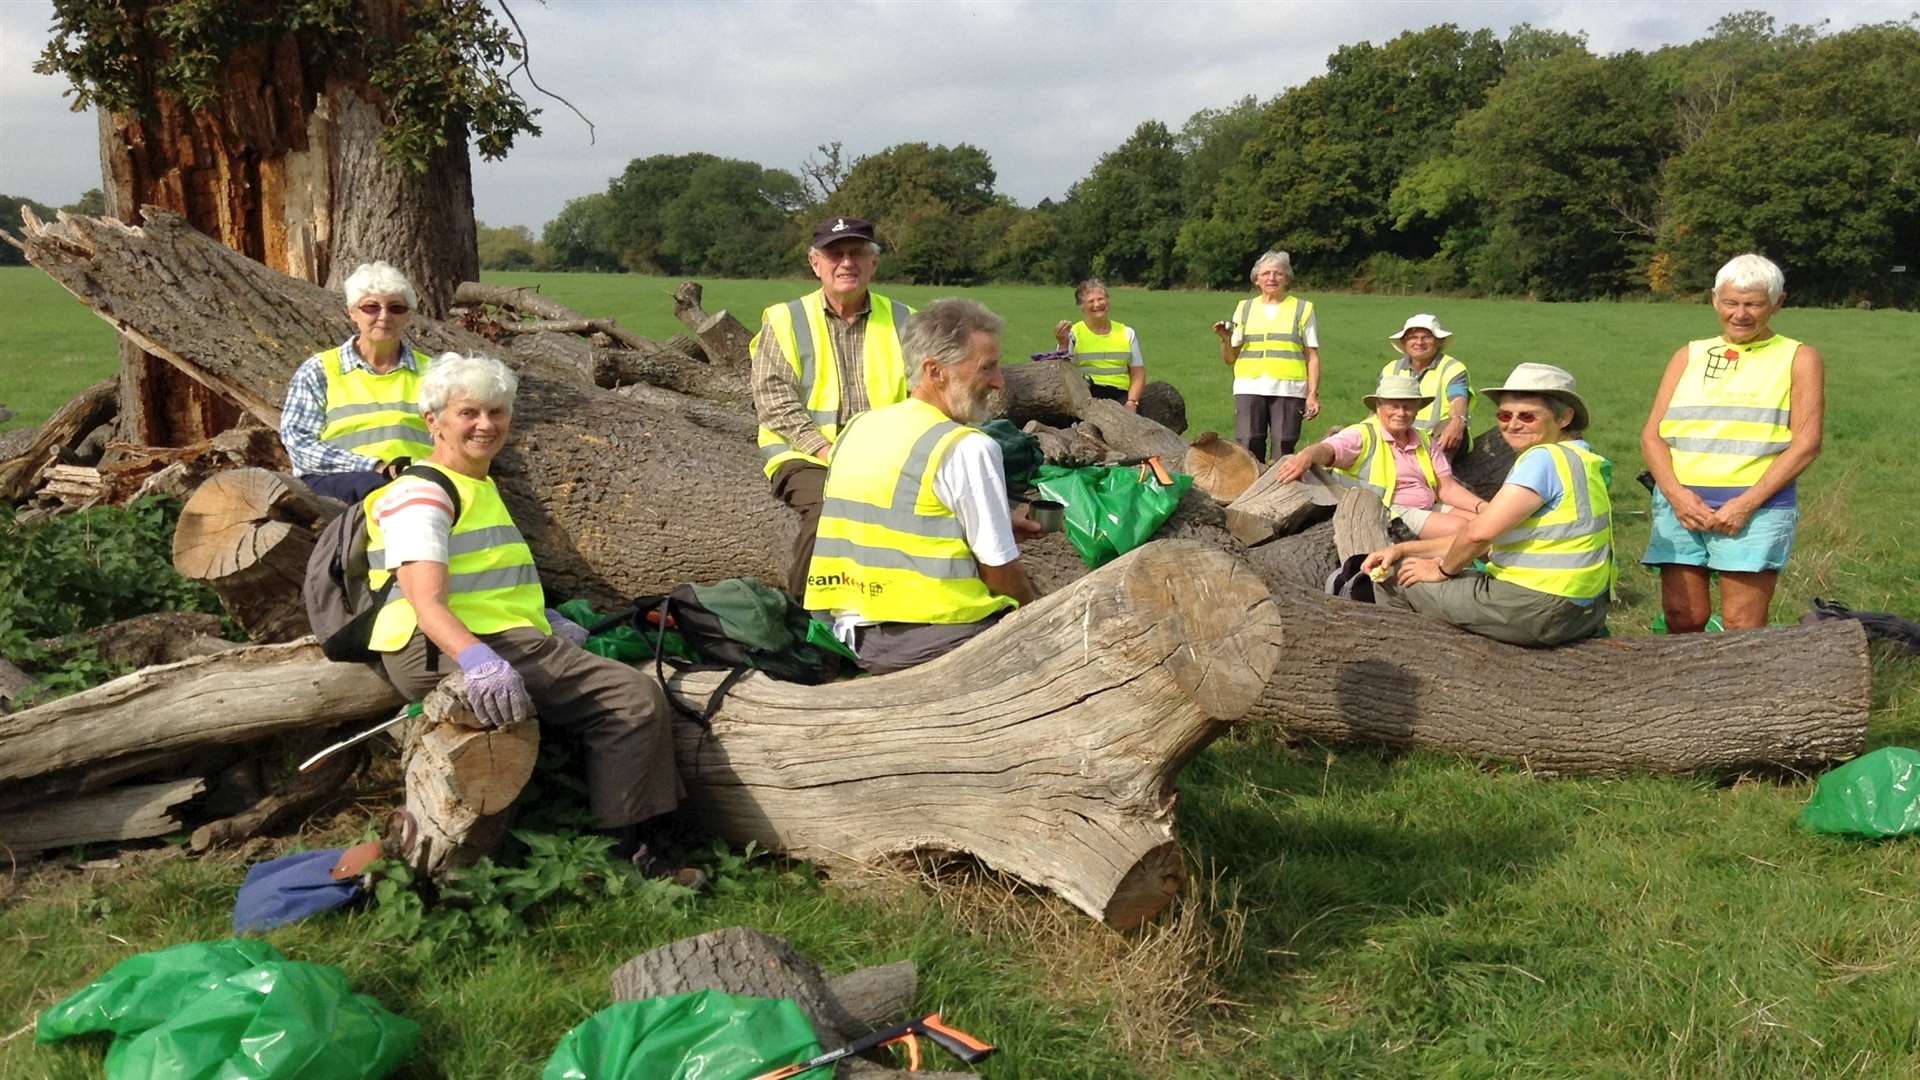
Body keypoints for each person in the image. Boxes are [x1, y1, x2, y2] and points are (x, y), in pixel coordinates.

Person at [363, 352, 691, 876]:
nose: (485, 425)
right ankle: (632, 855)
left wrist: (550, 625)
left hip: (495, 636)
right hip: (447, 645)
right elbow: (426, 602)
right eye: (468, 412)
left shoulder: (479, 486)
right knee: (632, 697)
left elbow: (492, 582)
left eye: (497, 412)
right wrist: (478, 659)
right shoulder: (422, 492)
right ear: (434, 421)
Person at [804, 298, 1044, 674]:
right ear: (935, 371)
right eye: (988, 367)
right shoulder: (968, 446)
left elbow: (888, 523)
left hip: (852, 637)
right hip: (940, 637)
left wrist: (968, 530)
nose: (999, 382)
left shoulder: (858, 428)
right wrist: (1039, 615)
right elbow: (999, 572)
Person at [1361, 364, 1613, 646]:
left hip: (1537, 607)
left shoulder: (1542, 458)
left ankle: (1405, 657)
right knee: (1411, 563)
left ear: (1565, 417)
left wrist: (1442, 570)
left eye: (1527, 416)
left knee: (1391, 577)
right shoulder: (1583, 458)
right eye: (1504, 415)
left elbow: (1478, 534)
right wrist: (1403, 548)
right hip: (1584, 610)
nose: (1513, 424)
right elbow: (1486, 538)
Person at [1641, 253, 1824, 632]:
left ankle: (1741, 692)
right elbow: (1653, 436)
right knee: (1682, 616)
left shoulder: (1799, 357)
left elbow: (1806, 443)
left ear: (1777, 303)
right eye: (1731, 303)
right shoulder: (1688, 355)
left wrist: (1745, 505)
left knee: (1742, 623)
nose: (1740, 314)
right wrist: (1676, 496)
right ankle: (1682, 689)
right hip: (1682, 505)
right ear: (1714, 300)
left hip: (1755, 507)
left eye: (1754, 304)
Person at [751, 217, 914, 598]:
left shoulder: (907, 320)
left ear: (874, 263)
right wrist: (827, 450)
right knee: (832, 515)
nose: (846, 263)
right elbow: (773, 399)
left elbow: (923, 396)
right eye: (834, 253)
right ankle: (805, 626)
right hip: (806, 456)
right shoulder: (784, 319)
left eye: (856, 253)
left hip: (887, 458)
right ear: (815, 264)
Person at [281, 262, 435, 502]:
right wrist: (376, 467)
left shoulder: (434, 373)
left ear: (408, 315)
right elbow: (299, 445)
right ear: (353, 312)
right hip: (338, 484)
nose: (384, 316)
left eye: (396, 308)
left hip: (418, 484)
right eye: (371, 307)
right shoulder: (320, 369)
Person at [1273, 374, 1484, 538]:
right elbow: (1329, 450)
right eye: (1394, 405)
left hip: (1425, 507)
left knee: (1482, 522)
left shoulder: (1424, 439)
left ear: (1417, 409)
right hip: (1385, 513)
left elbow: (1445, 487)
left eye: (1408, 406)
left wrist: (1484, 508)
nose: (1401, 412)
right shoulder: (1363, 434)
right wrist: (1306, 455)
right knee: (1462, 528)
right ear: (1379, 407)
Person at [1212, 250, 1321, 462]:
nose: (1271, 278)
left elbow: (1312, 355)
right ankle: (1250, 492)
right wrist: (1225, 339)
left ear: (1287, 278)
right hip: (1249, 386)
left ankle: (1282, 493)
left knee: (1284, 443)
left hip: (1289, 388)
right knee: (1248, 442)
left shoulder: (1303, 309)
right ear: (1257, 280)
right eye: (1266, 274)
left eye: (1278, 273)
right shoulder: (1244, 308)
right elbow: (1230, 358)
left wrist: (1313, 394)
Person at [1381, 313, 1470, 458]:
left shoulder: (1452, 368)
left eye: (1426, 337)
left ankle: (1437, 474)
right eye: (1413, 337)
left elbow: (1458, 398)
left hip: (1437, 439)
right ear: (1404, 342)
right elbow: (1378, 408)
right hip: (1398, 433)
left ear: (1439, 342)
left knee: (1449, 426)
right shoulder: (1390, 369)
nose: (1419, 342)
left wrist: (1458, 421)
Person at [1053, 278, 1146, 409]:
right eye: (1091, 301)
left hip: (1121, 397)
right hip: (1086, 397)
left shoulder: (1127, 332)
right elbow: (1062, 370)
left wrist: (1132, 402)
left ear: (1108, 300)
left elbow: (1138, 374)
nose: (1097, 304)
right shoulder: (1073, 333)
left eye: (1101, 299)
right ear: (1082, 306)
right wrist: (1062, 344)